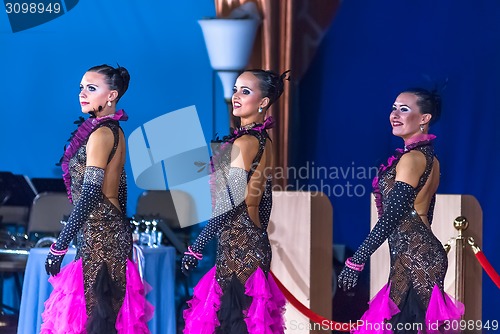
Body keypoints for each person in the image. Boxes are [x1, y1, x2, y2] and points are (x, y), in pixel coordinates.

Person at [338, 88, 464, 333]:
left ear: (424, 118)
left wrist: (357, 260)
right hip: (411, 255)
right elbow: (423, 212)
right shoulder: (428, 157)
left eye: (404, 109)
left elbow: (393, 216)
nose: (394, 114)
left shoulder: (412, 159)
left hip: (417, 256)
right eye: (394, 108)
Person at [41, 64, 153, 334]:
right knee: (98, 316)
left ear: (111, 95)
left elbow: (91, 192)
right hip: (102, 232)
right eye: (81, 87)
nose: (82, 93)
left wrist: (59, 245)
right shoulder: (110, 131)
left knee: (98, 317)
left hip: (102, 233)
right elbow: (120, 187)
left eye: (92, 88)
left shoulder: (102, 134)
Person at [181, 69, 289, 333]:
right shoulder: (263, 140)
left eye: (246, 91)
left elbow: (230, 199)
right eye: (236, 89)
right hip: (246, 243)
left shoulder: (246, 142)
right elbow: (263, 200)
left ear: (263, 102)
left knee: (234, 323)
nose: (237, 96)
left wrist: (198, 245)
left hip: (241, 249)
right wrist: (258, 229)